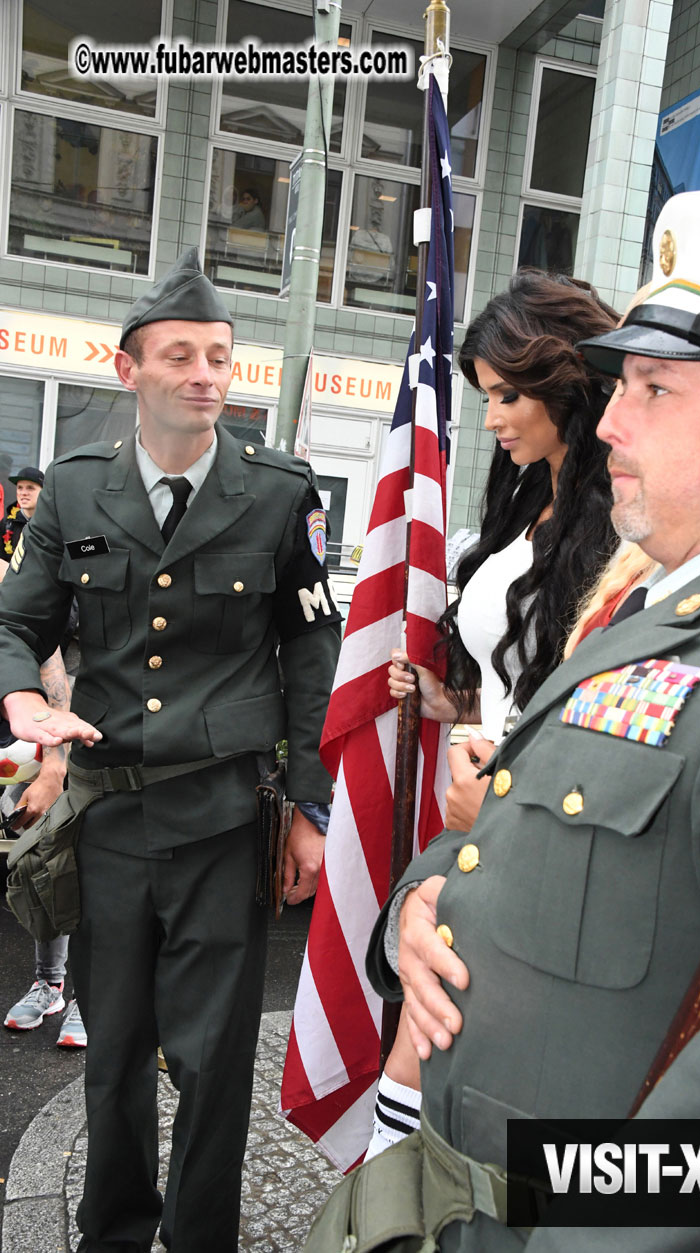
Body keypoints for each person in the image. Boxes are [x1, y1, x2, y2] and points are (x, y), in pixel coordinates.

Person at [356, 190, 700, 1252]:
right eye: (622, 386)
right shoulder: (648, 619)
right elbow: (505, 839)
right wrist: (416, 911)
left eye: (655, 389)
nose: (609, 418)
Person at [0, 247, 341, 1253]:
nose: (205, 375)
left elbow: (312, 647)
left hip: (224, 818)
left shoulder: (280, 492)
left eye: (221, 357)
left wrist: (314, 808)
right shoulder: (71, 491)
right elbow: (15, 619)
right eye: (181, 355)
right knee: (111, 1057)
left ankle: (198, 1241)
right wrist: (21, 694)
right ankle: (111, 1235)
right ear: (129, 369)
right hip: (107, 819)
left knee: (213, 1058)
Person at [370, 271, 620, 1156]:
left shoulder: (626, 522)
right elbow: (519, 673)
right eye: (486, 397)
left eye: (508, 394)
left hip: (538, 828)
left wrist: (505, 792)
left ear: (567, 381)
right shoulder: (527, 497)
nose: (493, 418)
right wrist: (451, 700)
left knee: (444, 1056)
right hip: (479, 817)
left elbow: (596, 706)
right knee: (426, 1048)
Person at [0, 482, 87, 1047]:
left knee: (84, 864)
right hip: (33, 735)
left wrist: (56, 767)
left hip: (86, 731)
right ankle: (50, 984)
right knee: (42, 864)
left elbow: (55, 660)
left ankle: (87, 994)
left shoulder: (87, 541)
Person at [2, 466, 43, 562]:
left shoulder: (53, 525)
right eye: (20, 488)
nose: (24, 493)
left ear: (44, 491)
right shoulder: (5, 525)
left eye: (30, 488)